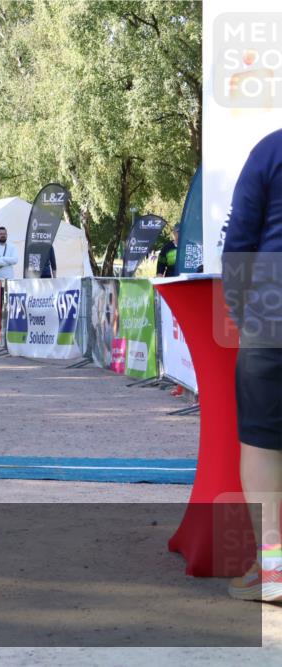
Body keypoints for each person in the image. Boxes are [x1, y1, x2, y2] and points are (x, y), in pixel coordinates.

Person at [222, 128, 282, 603]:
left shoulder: (269, 149)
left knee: (262, 442)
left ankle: (274, 570)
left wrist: (242, 313)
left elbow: (239, 239)